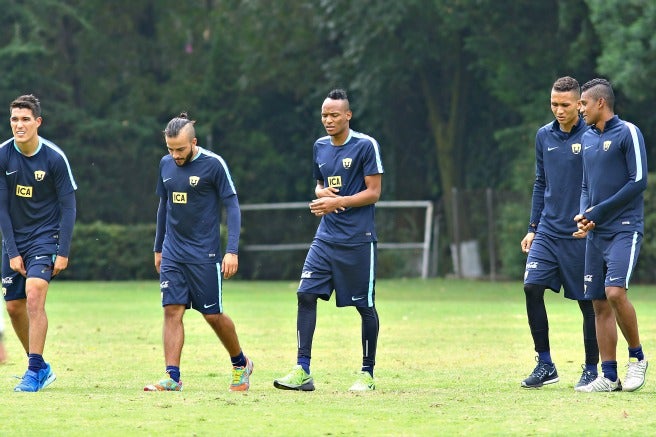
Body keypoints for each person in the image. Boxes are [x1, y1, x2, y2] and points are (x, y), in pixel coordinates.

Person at [273, 89, 383, 392]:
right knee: (305, 294)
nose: (328, 120)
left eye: (334, 114)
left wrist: (339, 202)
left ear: (348, 115)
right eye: (324, 115)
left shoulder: (365, 146)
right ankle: (303, 369)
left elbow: (374, 192)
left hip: (358, 240)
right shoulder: (319, 146)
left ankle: (366, 373)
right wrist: (322, 194)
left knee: (364, 306)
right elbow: (320, 182)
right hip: (325, 237)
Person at [145, 112, 252, 392]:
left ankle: (240, 363)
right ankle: (172, 376)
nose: (175, 155)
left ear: (194, 142)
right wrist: (159, 247)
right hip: (172, 252)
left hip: (204, 254)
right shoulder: (165, 164)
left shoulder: (214, 165)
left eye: (180, 149)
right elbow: (163, 207)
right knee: (172, 310)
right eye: (170, 149)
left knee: (212, 314)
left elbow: (233, 206)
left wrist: (232, 250)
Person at [520, 77, 599, 390]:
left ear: (579, 104)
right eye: (554, 104)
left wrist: (593, 220)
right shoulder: (544, 136)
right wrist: (532, 228)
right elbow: (541, 183)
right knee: (531, 288)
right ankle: (545, 363)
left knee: (587, 303)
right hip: (548, 232)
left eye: (565, 105)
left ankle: (592, 368)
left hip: (580, 234)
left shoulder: (593, 136)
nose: (559, 110)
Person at [573, 78, 648, 392]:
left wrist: (597, 212)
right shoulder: (587, 139)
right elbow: (586, 186)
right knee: (599, 303)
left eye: (583, 104)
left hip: (625, 229)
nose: (580, 110)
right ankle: (609, 376)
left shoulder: (628, 132)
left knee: (616, 293)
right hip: (596, 233)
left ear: (600, 103)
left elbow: (638, 181)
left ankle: (638, 359)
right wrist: (583, 216)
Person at [0, 94, 77, 391]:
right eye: (14, 119)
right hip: (15, 238)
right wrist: (12, 250)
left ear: (38, 122)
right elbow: (3, 209)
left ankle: (33, 369)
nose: (19, 125)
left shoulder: (55, 158)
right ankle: (41, 367)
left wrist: (63, 251)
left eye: (25, 119)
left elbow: (69, 207)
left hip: (46, 236)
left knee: (34, 293)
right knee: (13, 307)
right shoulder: (4, 155)